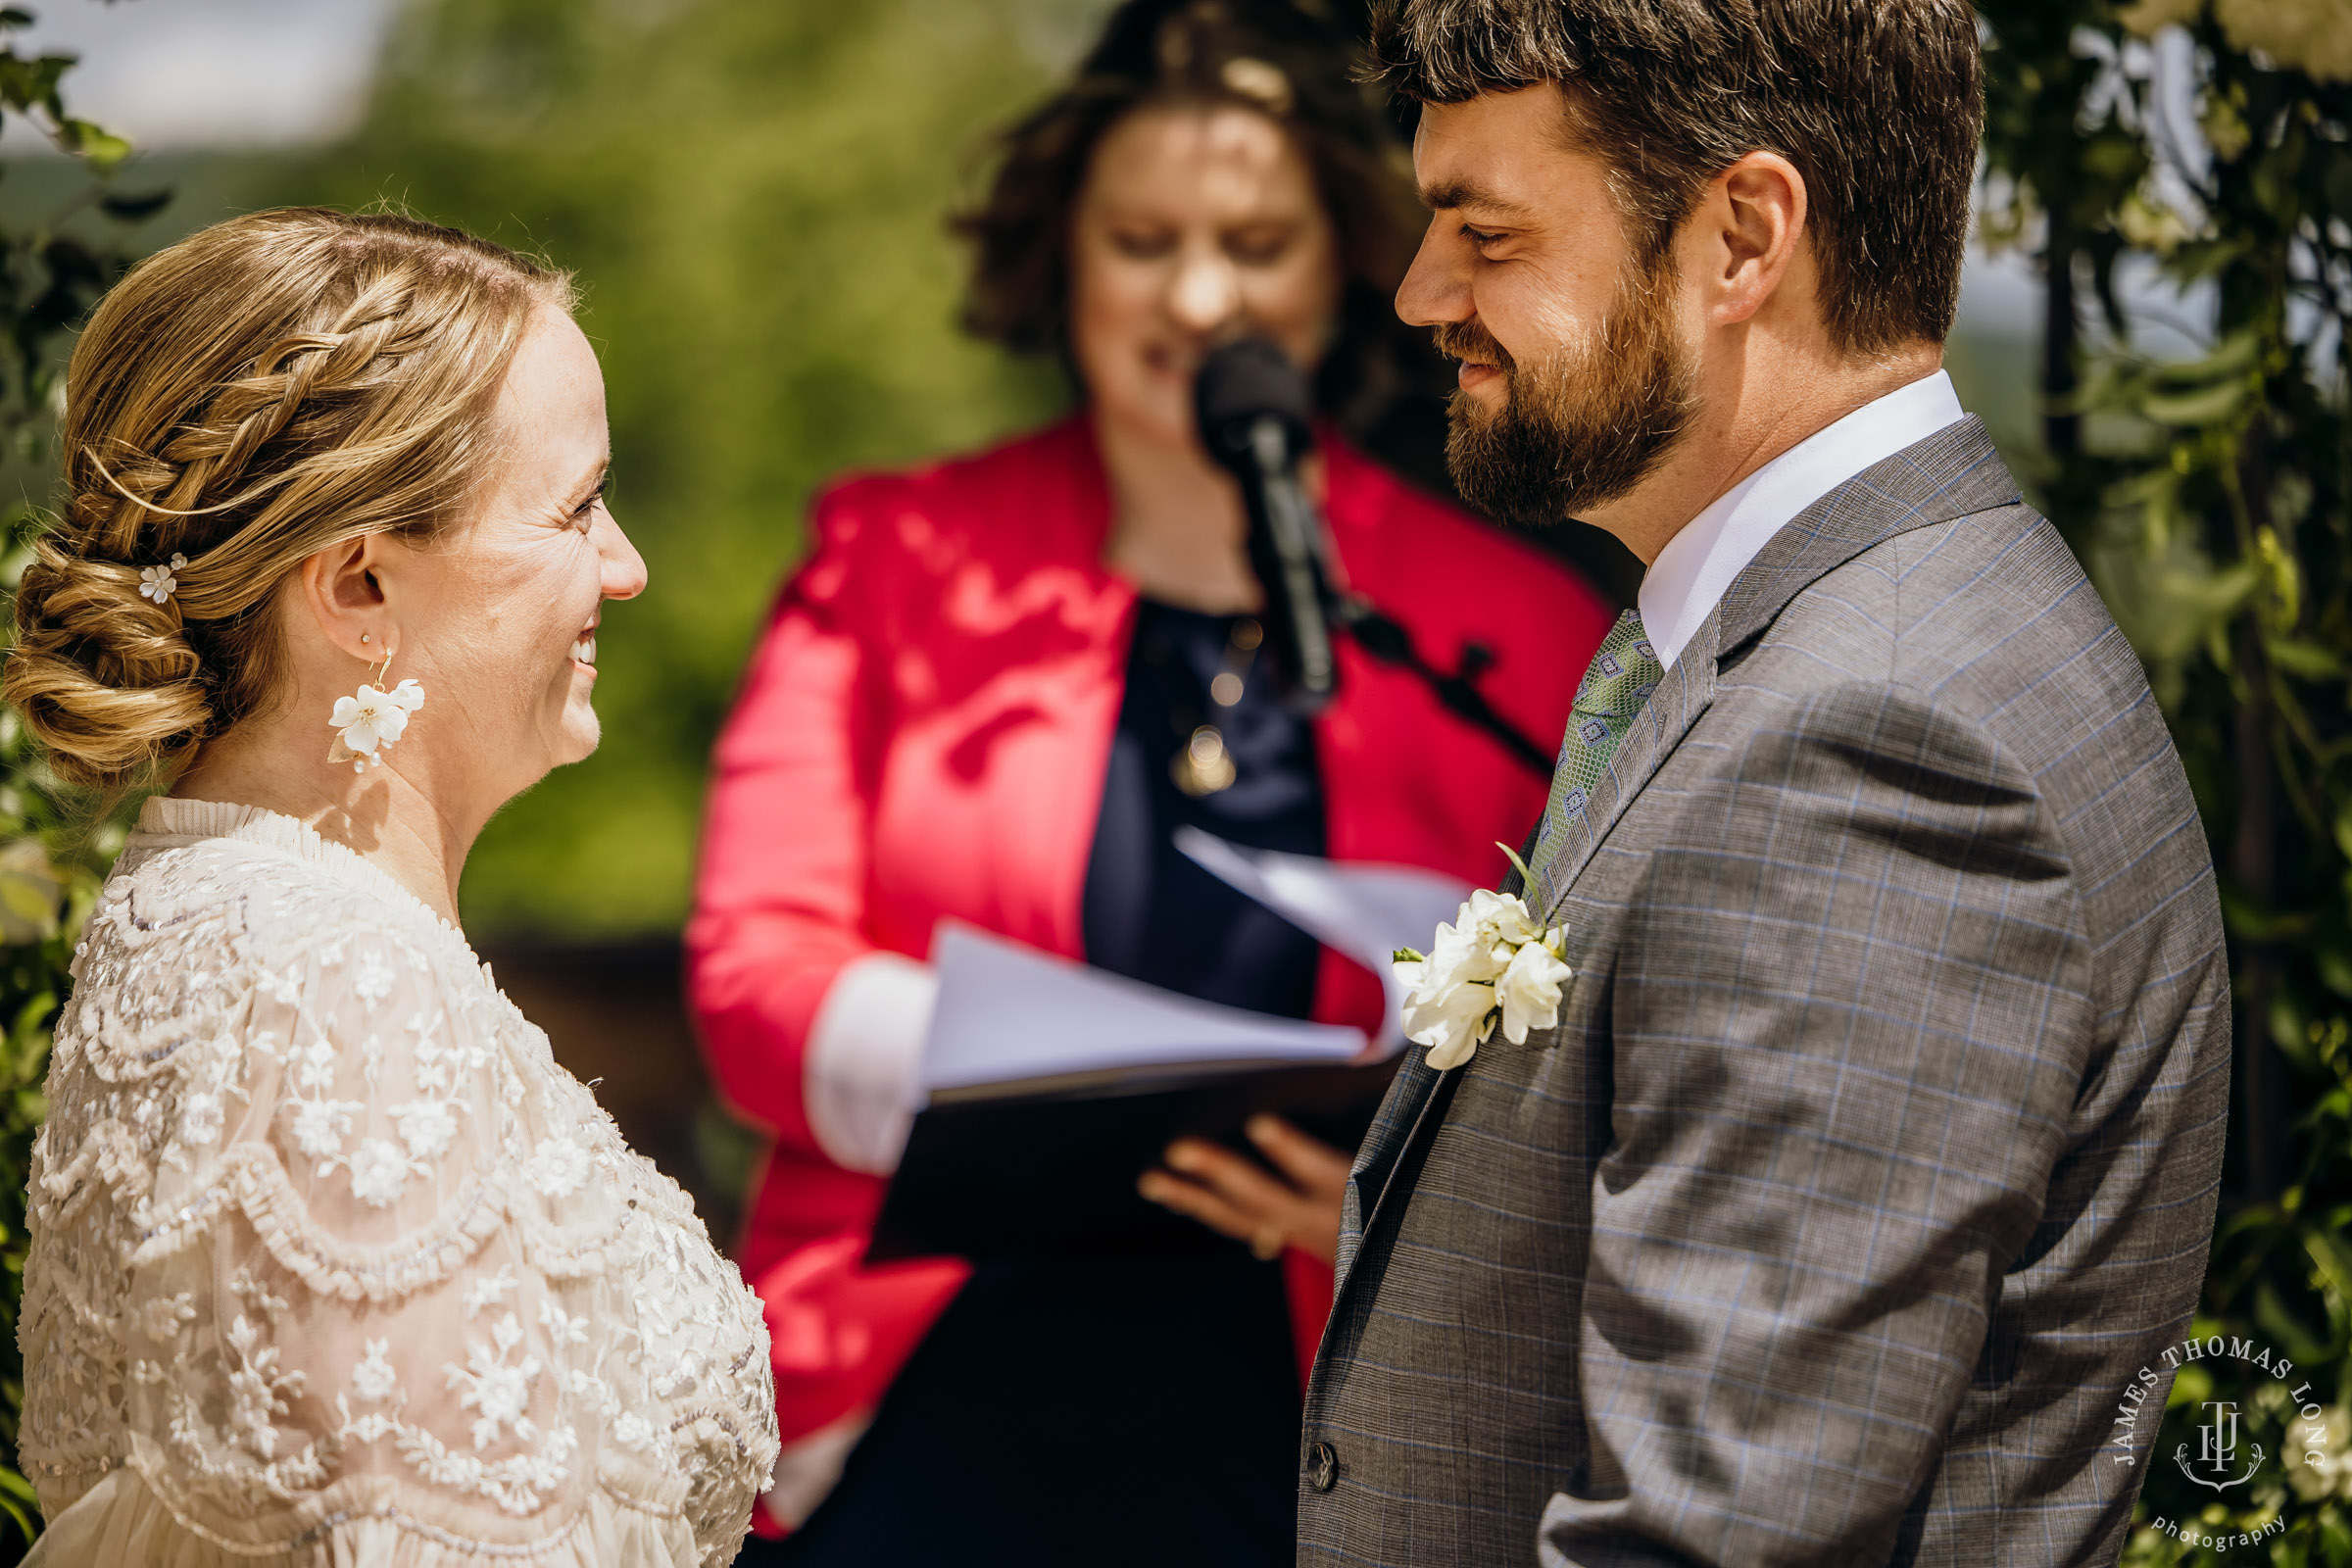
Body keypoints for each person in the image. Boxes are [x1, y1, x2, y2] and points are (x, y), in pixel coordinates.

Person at [1297, 2, 2233, 1565]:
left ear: (1742, 237)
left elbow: (1716, 1533)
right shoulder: (1832, 641)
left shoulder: (1878, 744)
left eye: (1487, 232)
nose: (1420, 294)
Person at [685, 2, 1615, 1562]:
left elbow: (1613, 1033)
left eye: (1255, 242)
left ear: (1346, 264)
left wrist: (1395, 1207)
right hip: (926, 1401)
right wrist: (1041, 1088)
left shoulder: (1510, 627)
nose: (1198, 294)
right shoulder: (895, 560)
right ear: (1065, 258)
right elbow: (751, 981)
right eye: (1141, 239)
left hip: (1330, 1409)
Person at [9, 209, 778, 1566]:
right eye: (576, 506)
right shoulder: (333, 993)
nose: (626, 566)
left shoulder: (220, 928)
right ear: (360, 583)